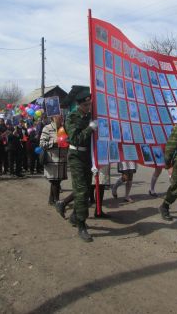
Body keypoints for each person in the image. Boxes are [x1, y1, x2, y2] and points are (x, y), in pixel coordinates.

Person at [64, 90, 98, 242]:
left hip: (88, 156)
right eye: (85, 105)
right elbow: (76, 139)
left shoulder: (91, 115)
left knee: (85, 188)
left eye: (89, 104)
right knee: (82, 191)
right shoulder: (71, 117)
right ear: (78, 105)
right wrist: (90, 128)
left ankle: (74, 216)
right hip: (76, 156)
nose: (88, 107)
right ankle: (81, 225)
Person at [40, 115, 68, 205]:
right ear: (53, 118)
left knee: (57, 180)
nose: (61, 118)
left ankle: (51, 199)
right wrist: (54, 141)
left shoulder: (64, 128)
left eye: (61, 116)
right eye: (59, 117)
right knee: (55, 180)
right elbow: (42, 144)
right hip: (52, 159)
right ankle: (57, 201)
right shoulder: (47, 128)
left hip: (62, 158)